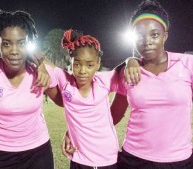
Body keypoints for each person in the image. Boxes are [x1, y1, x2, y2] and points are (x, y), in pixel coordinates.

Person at [0, 10, 58, 169]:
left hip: (39, 152)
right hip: (1, 154)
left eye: (21, 43)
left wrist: (42, 65)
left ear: (28, 44)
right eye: (7, 43)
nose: (14, 50)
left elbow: (64, 101)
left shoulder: (39, 71)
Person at [110, 0, 193, 168]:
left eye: (154, 35)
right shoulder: (128, 71)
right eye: (140, 36)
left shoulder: (187, 64)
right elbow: (113, 116)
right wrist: (77, 133)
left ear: (165, 35)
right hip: (134, 160)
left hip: (179, 161)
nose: (146, 41)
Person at [43, 29, 141, 169]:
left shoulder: (104, 81)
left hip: (107, 159)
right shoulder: (65, 81)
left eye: (89, 65)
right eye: (77, 64)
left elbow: (121, 69)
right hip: (79, 159)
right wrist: (36, 60)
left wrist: (131, 60)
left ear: (97, 63)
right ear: (70, 61)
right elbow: (44, 62)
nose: (83, 71)